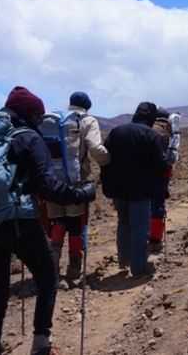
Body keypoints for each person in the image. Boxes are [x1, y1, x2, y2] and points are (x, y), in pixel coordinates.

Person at [0, 86, 97, 355]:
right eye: (38, 117)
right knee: (48, 279)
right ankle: (41, 345)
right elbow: (49, 186)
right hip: (18, 222)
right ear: (30, 115)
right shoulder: (28, 137)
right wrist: (79, 194)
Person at [101, 102, 171, 276]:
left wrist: (106, 183)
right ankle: (139, 267)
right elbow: (162, 164)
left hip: (118, 188)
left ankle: (123, 260)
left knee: (123, 223)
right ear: (151, 117)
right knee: (140, 226)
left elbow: (105, 159)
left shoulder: (117, 131)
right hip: (140, 189)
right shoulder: (150, 135)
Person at [47, 91, 110, 280]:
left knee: (57, 221)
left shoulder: (55, 121)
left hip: (53, 180)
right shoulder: (87, 121)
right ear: (87, 106)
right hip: (77, 180)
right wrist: (107, 162)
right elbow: (96, 147)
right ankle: (74, 267)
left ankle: (52, 265)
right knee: (76, 224)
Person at [148, 107, 176, 253]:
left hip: (146, 174)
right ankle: (155, 239)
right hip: (162, 174)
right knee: (158, 204)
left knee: (145, 204)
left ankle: (144, 234)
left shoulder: (148, 128)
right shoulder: (168, 131)